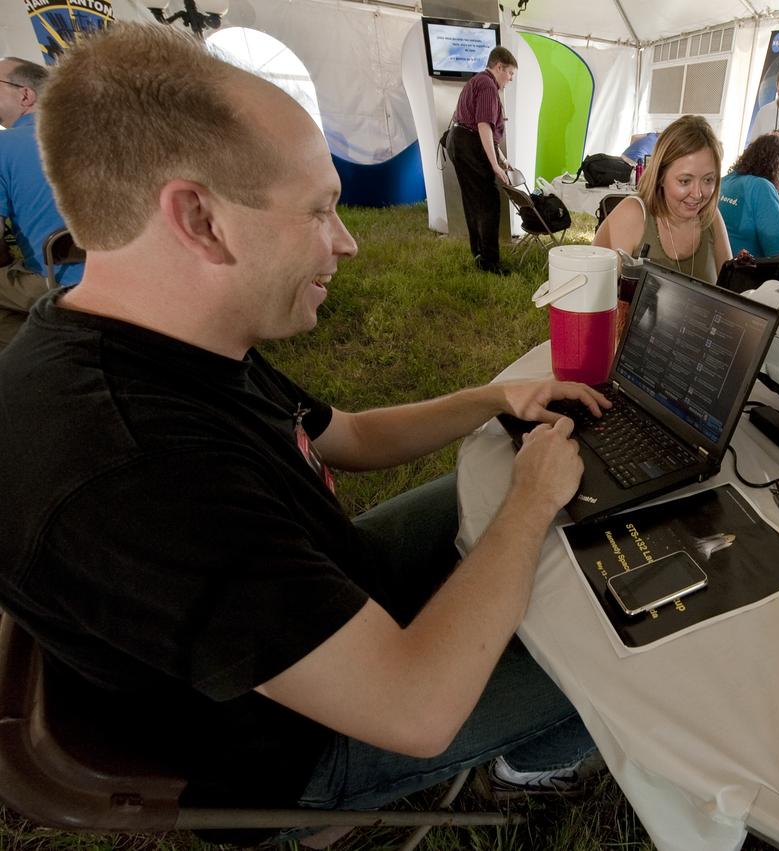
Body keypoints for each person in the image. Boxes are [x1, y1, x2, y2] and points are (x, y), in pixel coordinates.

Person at [0, 24, 607, 815]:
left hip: (330, 591)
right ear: (202, 219)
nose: (348, 242)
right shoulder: (136, 473)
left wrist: (495, 401)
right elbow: (414, 708)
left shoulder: (157, 324)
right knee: (628, 663)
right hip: (304, 743)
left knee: (541, 504)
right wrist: (526, 506)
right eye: (321, 210)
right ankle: (530, 770)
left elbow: (344, 434)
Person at [0, 56, 83, 350]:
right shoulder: (98, 137)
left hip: (56, 283)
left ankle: (35, 360)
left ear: (25, 94)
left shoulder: (3, 147)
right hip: (130, 272)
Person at [593, 114, 731, 284]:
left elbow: (731, 295)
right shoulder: (633, 215)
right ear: (660, 176)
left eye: (708, 180)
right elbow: (606, 300)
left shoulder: (711, 217)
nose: (697, 194)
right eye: (685, 181)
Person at [446, 46, 517, 276]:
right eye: (510, 73)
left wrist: (502, 158)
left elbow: (486, 129)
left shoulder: (478, 81)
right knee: (488, 201)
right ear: (499, 67)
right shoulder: (488, 85)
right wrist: (495, 166)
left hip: (459, 141)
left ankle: (478, 254)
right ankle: (490, 262)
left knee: (473, 201)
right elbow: (484, 125)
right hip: (468, 143)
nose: (510, 79)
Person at [718, 134, 779, 259]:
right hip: (746, 271)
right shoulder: (762, 186)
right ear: (772, 166)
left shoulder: (728, 180)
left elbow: (776, 225)